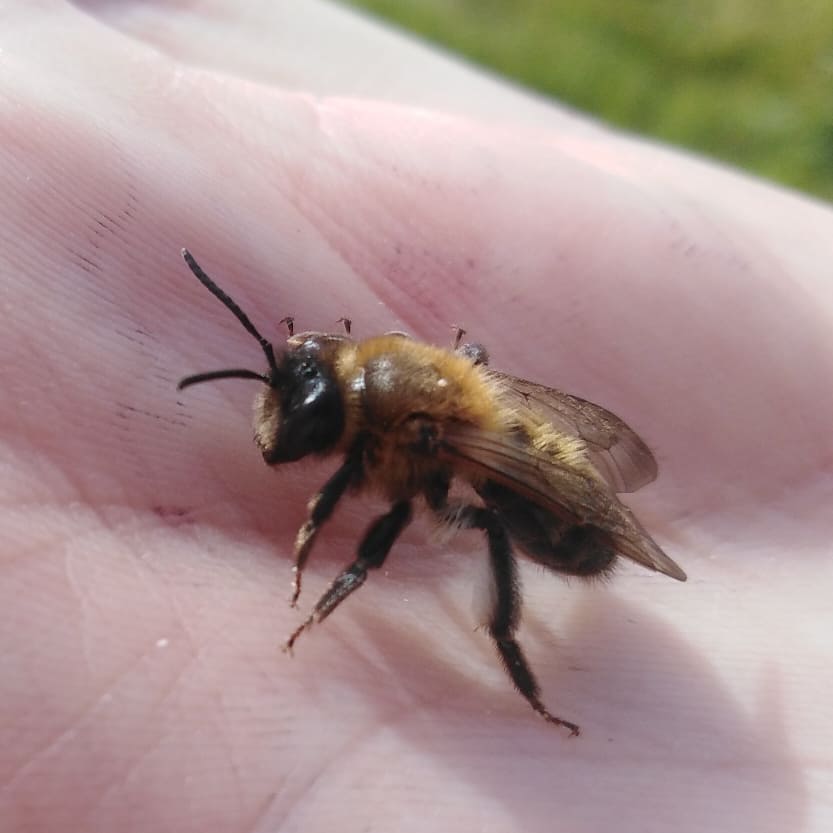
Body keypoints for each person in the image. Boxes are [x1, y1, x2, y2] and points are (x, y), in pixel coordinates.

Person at [2, 2, 830, 831]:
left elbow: (408, 494)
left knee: (486, 521)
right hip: (511, 438)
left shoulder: (410, 426)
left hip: (563, 516)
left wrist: (341, 574)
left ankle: (517, 669)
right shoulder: (385, 379)